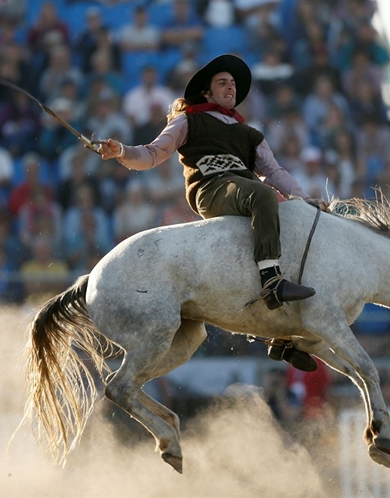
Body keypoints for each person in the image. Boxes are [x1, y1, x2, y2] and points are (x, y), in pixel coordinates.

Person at [97, 54, 327, 372]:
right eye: (222, 82)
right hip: (212, 190)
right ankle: (272, 283)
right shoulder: (187, 120)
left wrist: (304, 199)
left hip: (245, 194)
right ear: (207, 92)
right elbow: (151, 154)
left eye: (232, 84)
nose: (230, 87)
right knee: (263, 195)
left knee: (290, 217)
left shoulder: (249, 133)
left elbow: (274, 171)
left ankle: (283, 335)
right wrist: (122, 151)